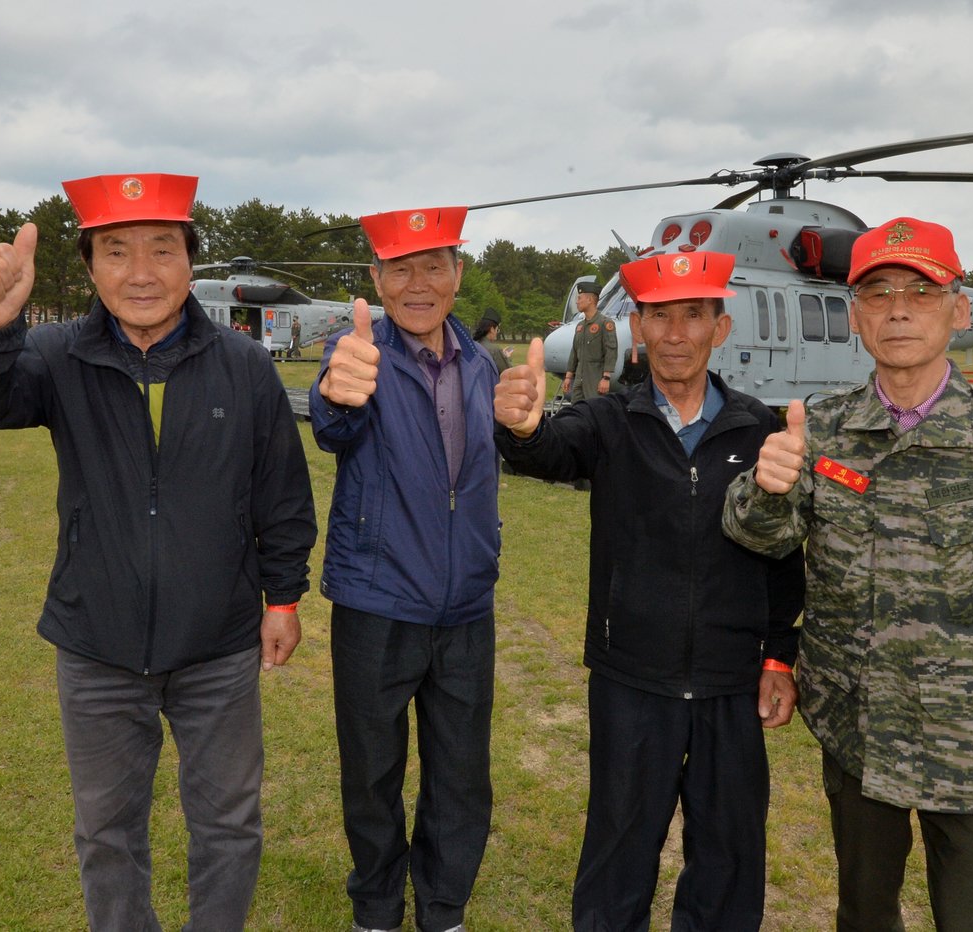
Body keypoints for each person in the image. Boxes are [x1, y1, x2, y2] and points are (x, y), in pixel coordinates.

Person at [0, 173, 317, 931]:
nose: (141, 272)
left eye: (162, 250)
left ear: (190, 261)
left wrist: (284, 597)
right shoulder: (54, 355)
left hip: (219, 647)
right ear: (90, 267)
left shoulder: (245, 367)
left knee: (230, 827)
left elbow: (282, 494)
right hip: (96, 645)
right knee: (107, 833)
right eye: (117, 252)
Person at [721, 216, 973, 931]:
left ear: (958, 310)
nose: (898, 309)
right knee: (864, 912)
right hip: (856, 726)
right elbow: (761, 540)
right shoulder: (825, 430)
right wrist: (763, 487)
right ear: (855, 316)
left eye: (920, 292)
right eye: (877, 293)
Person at [495, 251, 805, 931]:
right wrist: (519, 428)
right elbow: (551, 449)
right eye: (659, 316)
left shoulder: (758, 430)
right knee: (617, 860)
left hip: (730, 684)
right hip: (631, 679)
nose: (674, 333)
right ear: (637, 325)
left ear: (719, 329)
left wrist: (780, 656)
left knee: (727, 864)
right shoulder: (609, 422)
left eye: (692, 315)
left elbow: (784, 558)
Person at [309, 206, 500, 932]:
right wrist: (337, 388)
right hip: (376, 604)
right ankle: (378, 909)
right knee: (371, 774)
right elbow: (335, 421)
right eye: (399, 268)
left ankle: (443, 910)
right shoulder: (353, 352)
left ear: (458, 272)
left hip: (465, 612)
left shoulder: (483, 364)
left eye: (433, 265)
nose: (417, 283)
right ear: (375, 280)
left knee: (459, 777)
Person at [560, 280, 616, 402]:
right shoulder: (580, 326)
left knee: (595, 411)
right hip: (579, 377)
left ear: (590, 300)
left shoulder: (605, 323)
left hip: (595, 377)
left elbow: (611, 351)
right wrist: (568, 377)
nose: (577, 301)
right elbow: (574, 352)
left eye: (580, 298)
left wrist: (606, 378)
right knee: (577, 411)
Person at [472, 305, 512, 374]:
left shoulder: (473, 344)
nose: (497, 333)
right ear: (492, 329)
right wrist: (506, 357)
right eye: (497, 329)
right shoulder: (494, 349)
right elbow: (507, 373)